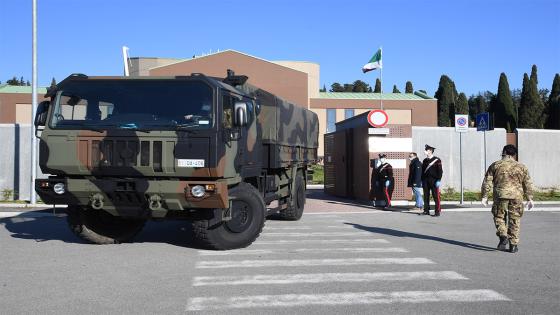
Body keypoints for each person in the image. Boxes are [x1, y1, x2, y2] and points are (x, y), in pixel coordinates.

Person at [481, 144, 534, 253]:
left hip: (500, 195)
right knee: (515, 219)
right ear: (514, 154)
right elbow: (527, 183)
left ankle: (503, 235)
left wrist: (484, 196)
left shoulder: (495, 165)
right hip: (516, 196)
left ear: (504, 152)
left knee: (499, 216)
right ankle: (513, 245)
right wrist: (530, 198)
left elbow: (487, 181)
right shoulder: (521, 167)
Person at [421, 144, 443, 216]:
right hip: (425, 181)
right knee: (426, 196)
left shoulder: (437, 160)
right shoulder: (425, 160)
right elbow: (422, 171)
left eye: (426, 150)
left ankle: (437, 211)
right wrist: (422, 180)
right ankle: (426, 210)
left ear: (430, 151)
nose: (425, 151)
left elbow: (440, 171)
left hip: (434, 180)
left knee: (435, 196)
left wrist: (438, 180)